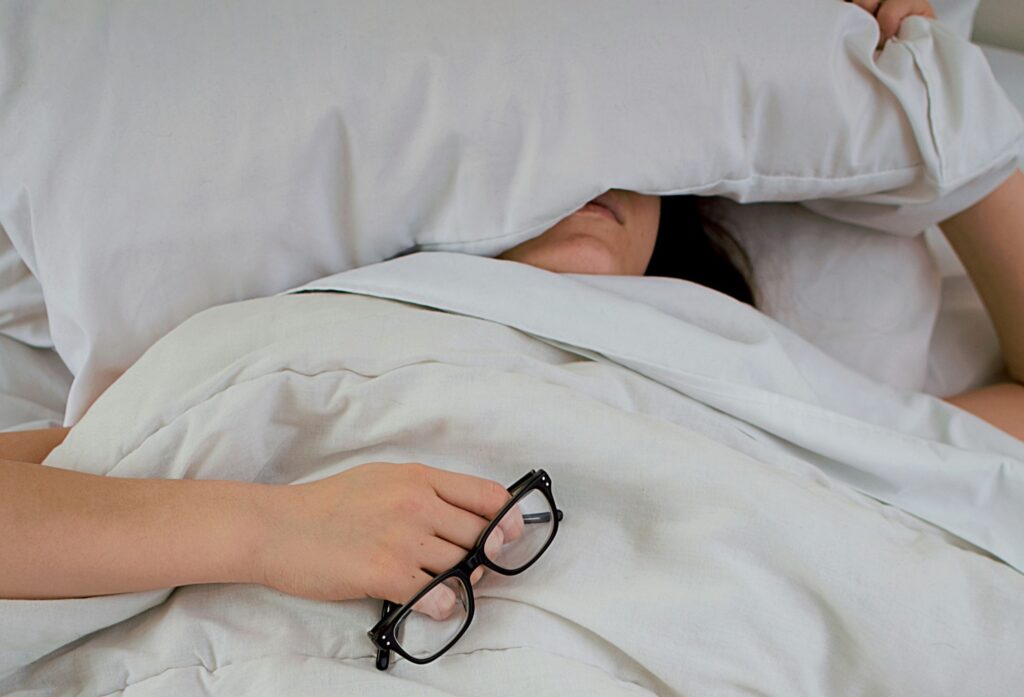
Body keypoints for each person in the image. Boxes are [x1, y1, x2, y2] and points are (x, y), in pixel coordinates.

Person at [2, 0, 1018, 614]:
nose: (592, 177)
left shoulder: (749, 376)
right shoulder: (313, 342)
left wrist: (935, 102)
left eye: (628, 159)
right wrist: (267, 532)